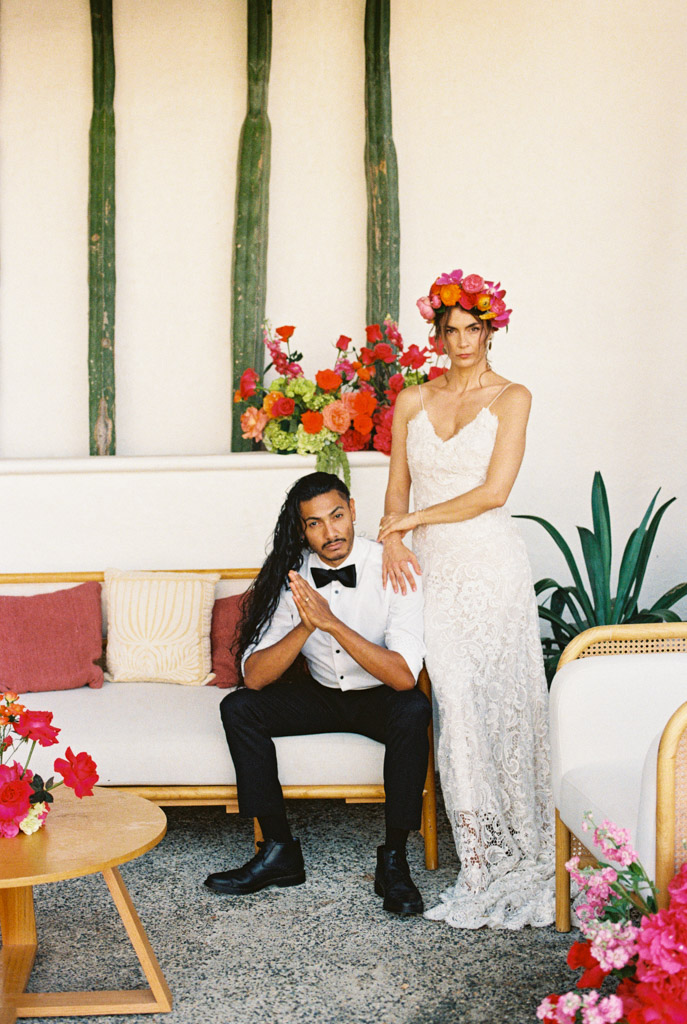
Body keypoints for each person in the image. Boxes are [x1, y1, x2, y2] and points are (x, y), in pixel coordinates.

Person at [378, 269, 555, 929]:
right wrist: (397, 538)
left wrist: (409, 523)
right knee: (450, 697)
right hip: (430, 568)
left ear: (489, 330)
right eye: (449, 330)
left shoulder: (512, 397)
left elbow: (493, 493)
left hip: (490, 564)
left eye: (471, 329)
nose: (460, 341)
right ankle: (479, 852)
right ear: (437, 333)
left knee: (499, 700)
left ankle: (515, 844)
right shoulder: (410, 400)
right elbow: (397, 483)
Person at [206, 472, 431, 916]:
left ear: (352, 509)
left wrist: (332, 624)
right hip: (323, 694)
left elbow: (404, 676)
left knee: (414, 709)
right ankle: (278, 851)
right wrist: (306, 625)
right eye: (315, 523)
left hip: (379, 696)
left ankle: (395, 861)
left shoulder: (394, 566)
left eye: (337, 516)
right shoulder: (289, 579)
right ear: (301, 530)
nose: (330, 532)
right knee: (239, 708)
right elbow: (253, 676)